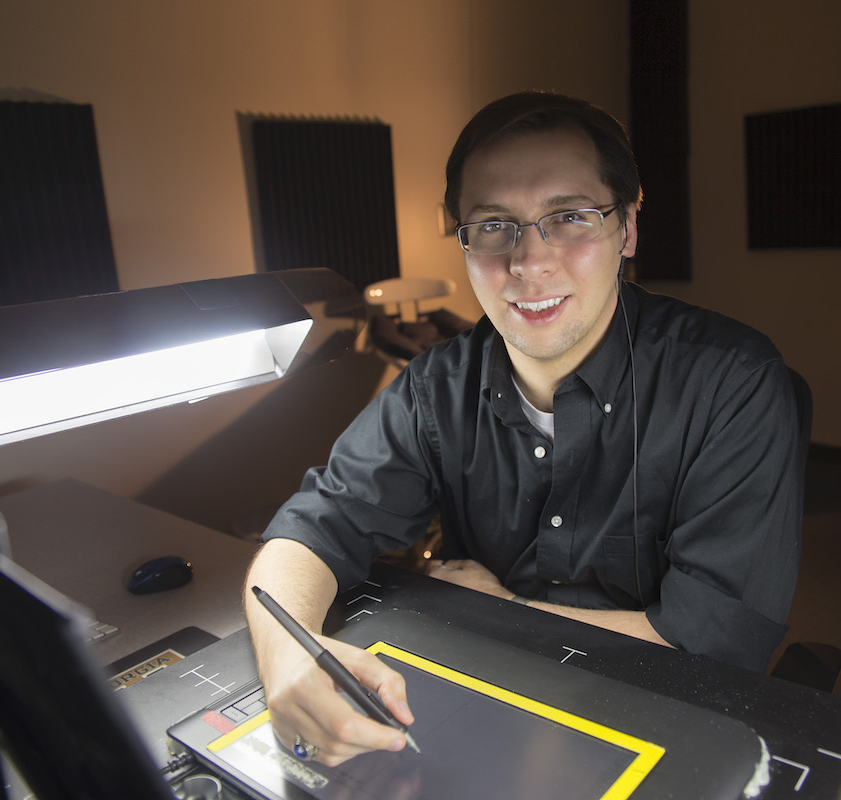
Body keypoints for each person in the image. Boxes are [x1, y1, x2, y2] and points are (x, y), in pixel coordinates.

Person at [243, 91, 803, 767]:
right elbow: (312, 528)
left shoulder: (733, 381)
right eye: (493, 225)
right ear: (462, 238)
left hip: (662, 724)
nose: (529, 263)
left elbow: (710, 644)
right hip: (486, 708)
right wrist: (287, 658)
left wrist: (498, 608)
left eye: (569, 217)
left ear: (627, 226)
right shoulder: (434, 389)